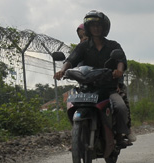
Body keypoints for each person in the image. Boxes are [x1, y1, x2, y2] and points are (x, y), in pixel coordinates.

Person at [54, 10, 135, 143]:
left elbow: (121, 60)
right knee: (72, 105)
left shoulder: (113, 45)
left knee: (120, 106)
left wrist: (119, 71)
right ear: (88, 28)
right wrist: (62, 71)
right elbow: (71, 59)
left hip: (109, 88)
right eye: (93, 26)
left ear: (104, 28)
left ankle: (120, 133)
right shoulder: (83, 46)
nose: (96, 28)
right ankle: (78, 137)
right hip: (88, 88)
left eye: (99, 26)